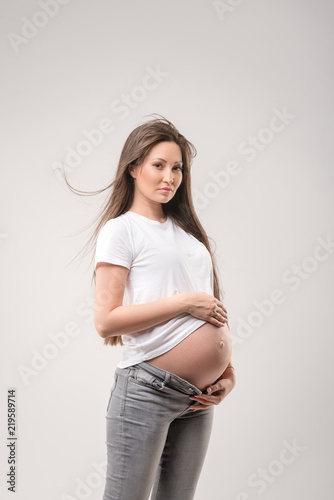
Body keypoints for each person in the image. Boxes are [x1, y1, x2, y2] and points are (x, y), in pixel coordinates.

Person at [92, 115, 236, 500]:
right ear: (134, 167)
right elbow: (106, 322)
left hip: (198, 398)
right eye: (158, 165)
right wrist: (184, 303)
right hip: (146, 391)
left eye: (177, 168)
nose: (169, 177)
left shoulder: (189, 236)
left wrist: (228, 373)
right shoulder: (120, 230)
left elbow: (211, 310)